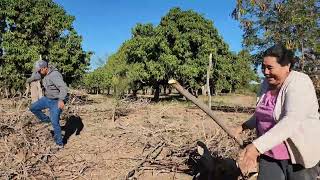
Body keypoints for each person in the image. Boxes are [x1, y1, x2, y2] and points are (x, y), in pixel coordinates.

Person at [236, 44, 320, 180]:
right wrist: (242, 127)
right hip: (269, 153)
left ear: (286, 66)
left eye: (270, 67)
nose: (265, 72)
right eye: (263, 67)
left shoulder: (299, 83)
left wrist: (255, 147)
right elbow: (262, 114)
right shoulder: (266, 83)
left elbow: (290, 121)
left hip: (298, 155)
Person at [27, 60, 68, 148]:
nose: (38, 72)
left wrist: (61, 100)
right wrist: (28, 80)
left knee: (55, 122)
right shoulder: (42, 73)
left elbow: (63, 87)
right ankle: (46, 120)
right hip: (47, 99)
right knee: (33, 108)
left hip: (56, 101)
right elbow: (36, 76)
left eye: (39, 70)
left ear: (45, 68)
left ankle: (59, 143)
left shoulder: (54, 75)